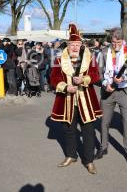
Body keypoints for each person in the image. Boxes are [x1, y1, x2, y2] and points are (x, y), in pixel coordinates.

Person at [50, 24, 102, 174]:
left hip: (86, 101)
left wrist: (85, 79)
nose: (75, 47)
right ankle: (71, 155)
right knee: (69, 131)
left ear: (81, 45)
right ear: (68, 44)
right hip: (67, 101)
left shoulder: (89, 58)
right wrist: (66, 87)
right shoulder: (59, 60)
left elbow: (96, 75)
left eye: (77, 44)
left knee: (88, 132)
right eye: (72, 44)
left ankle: (89, 161)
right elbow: (53, 78)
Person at [95, 28, 127, 164]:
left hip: (123, 92)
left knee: (126, 121)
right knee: (104, 122)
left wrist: (123, 78)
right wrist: (104, 82)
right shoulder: (103, 52)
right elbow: (98, 73)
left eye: (118, 41)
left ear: (123, 40)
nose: (116, 44)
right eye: (113, 41)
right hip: (107, 91)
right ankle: (103, 147)